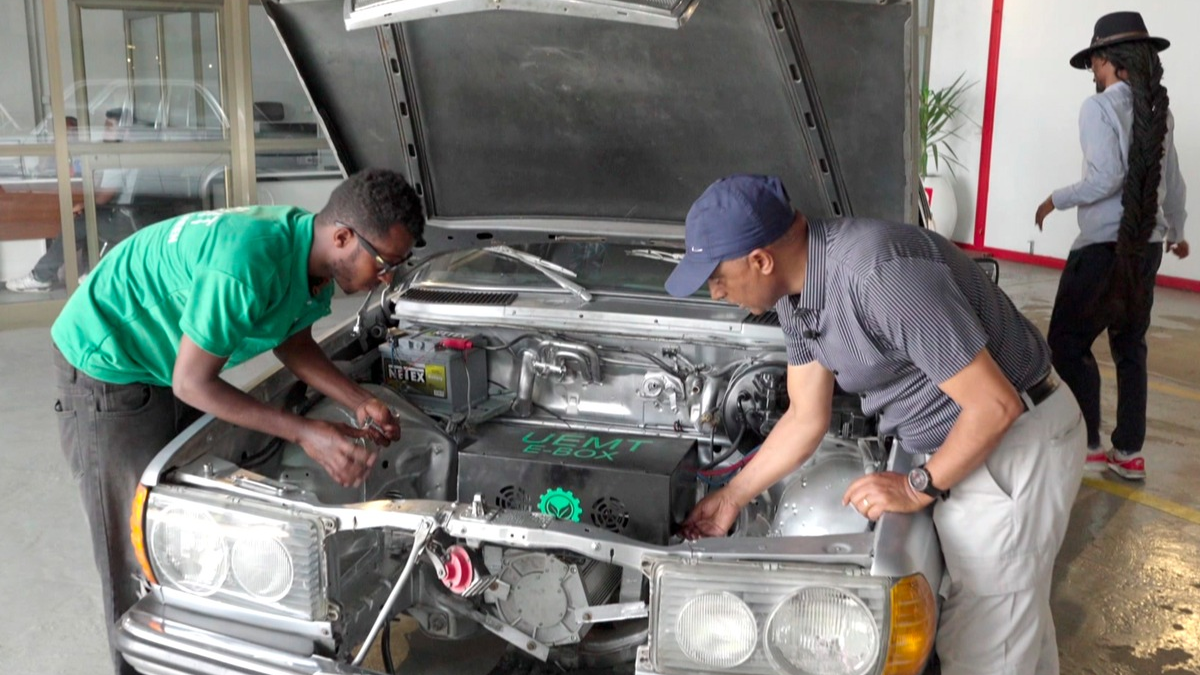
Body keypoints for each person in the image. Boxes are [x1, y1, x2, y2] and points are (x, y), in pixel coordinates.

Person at [667, 174, 1085, 675]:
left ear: (760, 260)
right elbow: (805, 416)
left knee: (984, 647)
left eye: (716, 276)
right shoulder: (797, 298)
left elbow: (995, 406)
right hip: (969, 442)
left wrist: (917, 485)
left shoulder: (876, 276)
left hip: (1013, 448)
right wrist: (731, 497)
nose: (715, 293)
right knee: (1014, 628)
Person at [50, 168, 423, 675]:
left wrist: (356, 400)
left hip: (168, 363)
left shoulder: (307, 257)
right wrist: (307, 432)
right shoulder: (248, 263)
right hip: (107, 363)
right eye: (385, 264)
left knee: (190, 535)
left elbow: (291, 340)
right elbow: (192, 384)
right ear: (342, 236)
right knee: (136, 557)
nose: (387, 279)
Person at [1034, 11, 1188, 481]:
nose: (1093, 75)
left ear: (1107, 60)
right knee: (1129, 345)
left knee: (1066, 343)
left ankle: (1091, 443)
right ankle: (1129, 453)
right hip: (1146, 245)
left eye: (1094, 65)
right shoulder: (1160, 111)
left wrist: (1054, 199)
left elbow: (1105, 179)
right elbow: (1174, 181)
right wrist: (1176, 230)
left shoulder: (1098, 108)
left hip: (1103, 247)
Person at [6, 109, 138, 292]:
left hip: (124, 219)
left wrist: (82, 205)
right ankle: (89, 271)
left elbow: (104, 197)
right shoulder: (119, 151)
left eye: (109, 127)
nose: (104, 131)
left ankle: (41, 277)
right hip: (122, 213)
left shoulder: (120, 156)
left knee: (77, 224)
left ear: (125, 131)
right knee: (84, 221)